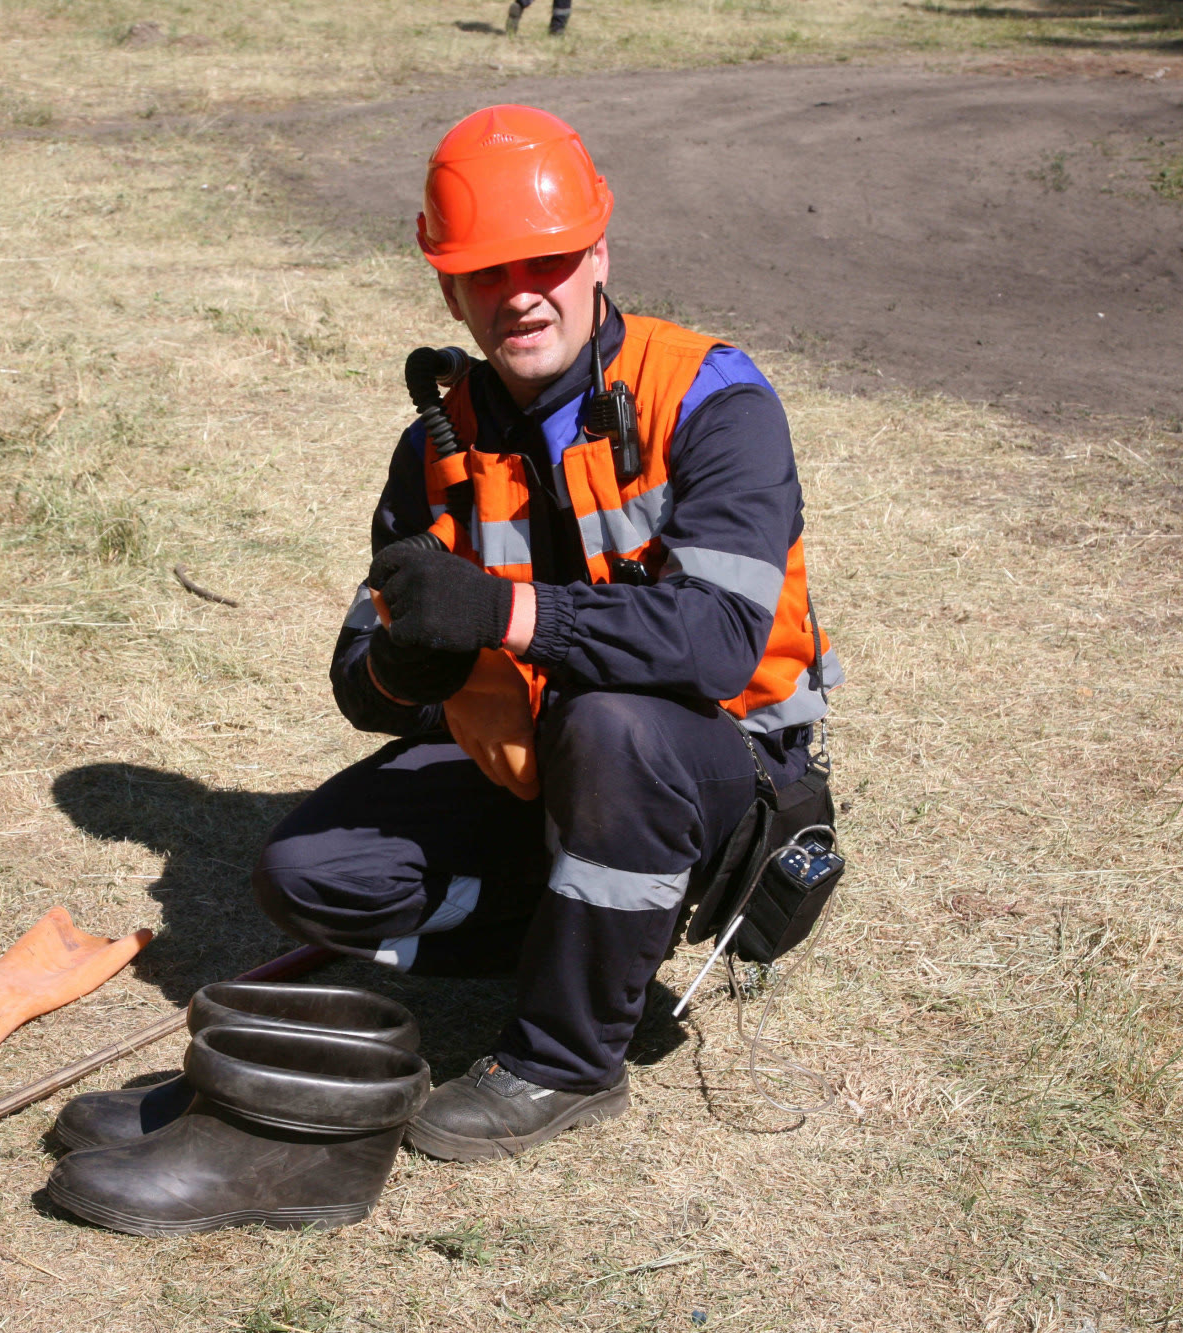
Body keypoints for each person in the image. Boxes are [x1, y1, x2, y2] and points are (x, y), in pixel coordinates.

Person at [251, 104, 840, 1162]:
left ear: (598, 254)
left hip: (714, 774)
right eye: (485, 272)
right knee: (306, 874)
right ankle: (594, 925)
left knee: (611, 725)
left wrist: (504, 615)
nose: (519, 294)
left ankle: (564, 1060)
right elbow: (358, 684)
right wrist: (407, 658)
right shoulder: (435, 445)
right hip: (536, 765)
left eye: (548, 260)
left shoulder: (713, 398)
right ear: (447, 287)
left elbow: (716, 643)